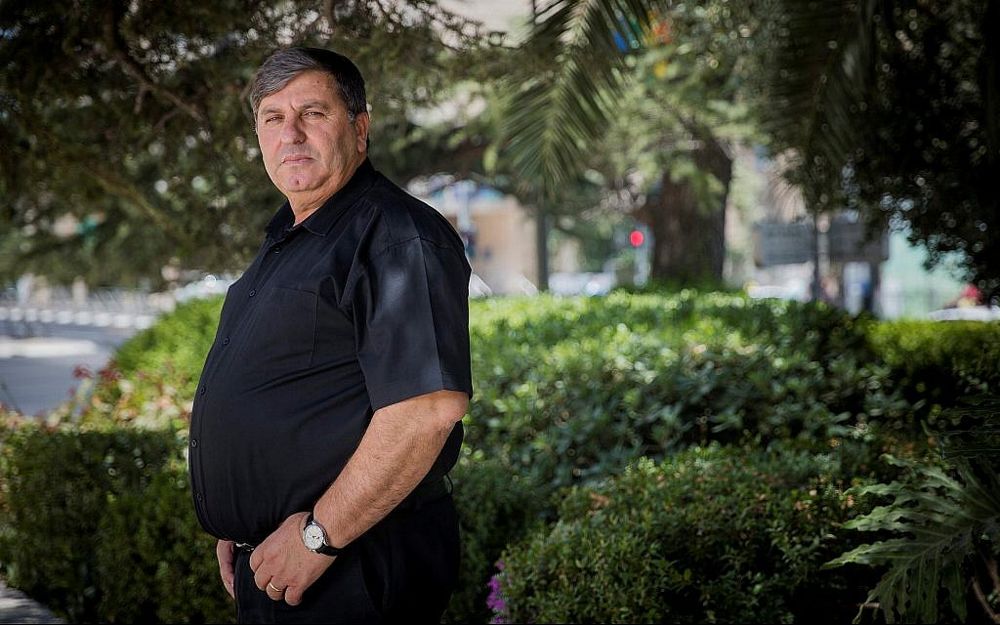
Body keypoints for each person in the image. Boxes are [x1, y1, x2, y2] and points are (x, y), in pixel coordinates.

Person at [188, 47, 473, 624]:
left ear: (359, 127)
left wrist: (318, 537)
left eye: (312, 113)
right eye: (273, 118)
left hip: (351, 563)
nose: (290, 133)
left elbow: (427, 410)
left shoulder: (396, 235)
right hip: (278, 557)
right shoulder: (289, 238)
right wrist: (243, 525)